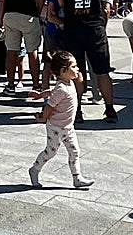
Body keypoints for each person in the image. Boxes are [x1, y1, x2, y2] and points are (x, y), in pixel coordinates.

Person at [55, 0, 118, 123]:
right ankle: (110, 109)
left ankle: (78, 110)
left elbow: (60, 0)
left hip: (74, 26)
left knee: (77, 71)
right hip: (95, 26)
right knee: (102, 70)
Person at [27, 50, 94, 189]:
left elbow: (52, 92)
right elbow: (50, 105)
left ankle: (77, 178)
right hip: (56, 128)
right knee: (50, 152)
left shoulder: (67, 84)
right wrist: (44, 118)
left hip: (68, 128)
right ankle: (34, 170)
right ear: (63, 71)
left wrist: (40, 95)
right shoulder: (62, 88)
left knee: (75, 152)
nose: (77, 69)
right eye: (74, 67)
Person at [0, 0, 45, 95]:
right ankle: (36, 85)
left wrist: (0, 18)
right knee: (33, 51)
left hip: (10, 14)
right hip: (29, 14)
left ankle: (10, 85)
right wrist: (37, 11)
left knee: (11, 51)